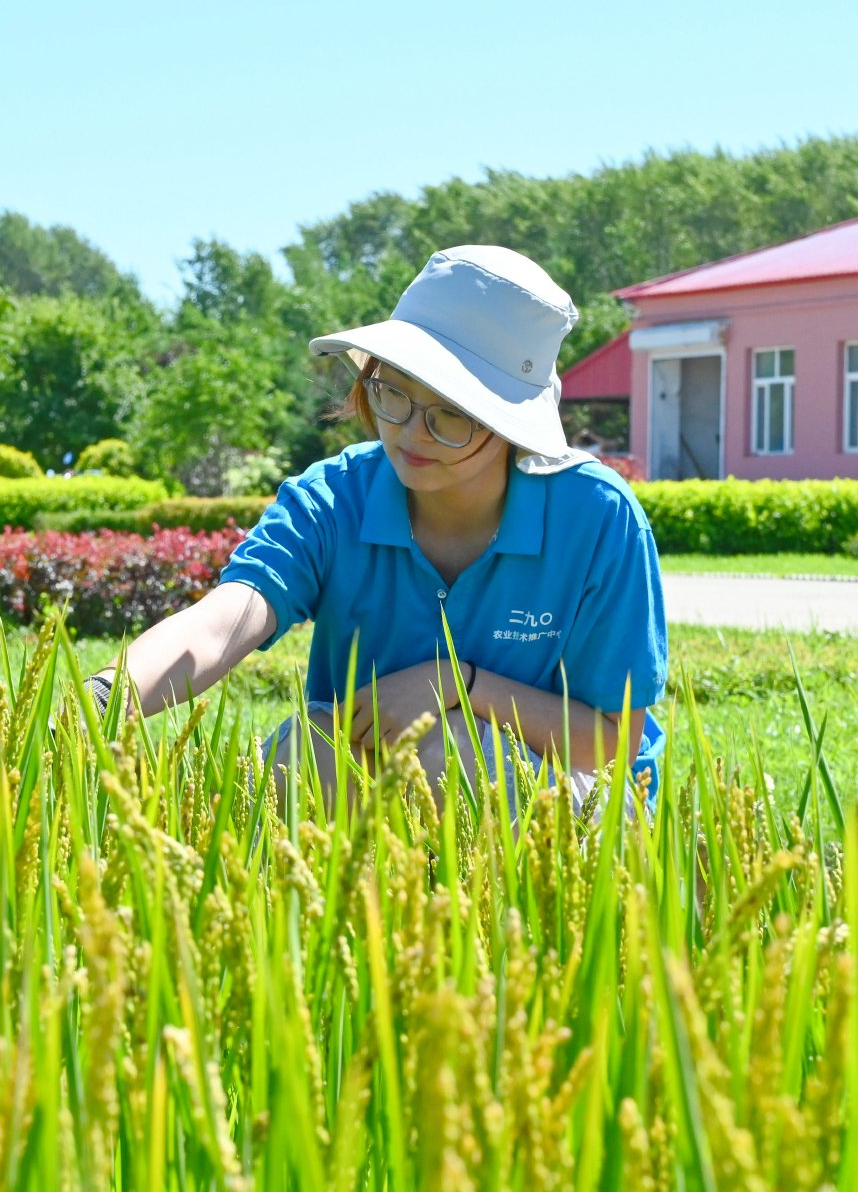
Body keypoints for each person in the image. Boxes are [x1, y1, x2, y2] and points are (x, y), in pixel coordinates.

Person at [85, 245, 667, 809]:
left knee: (446, 752)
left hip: (575, 794)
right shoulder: (335, 497)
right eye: (392, 394)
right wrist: (104, 699)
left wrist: (458, 684)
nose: (410, 434)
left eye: (450, 416)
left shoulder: (596, 517)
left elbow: (612, 741)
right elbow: (222, 622)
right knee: (300, 758)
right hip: (367, 768)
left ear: (507, 423)